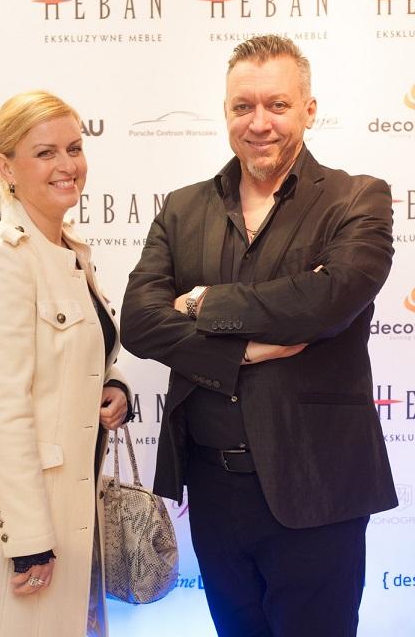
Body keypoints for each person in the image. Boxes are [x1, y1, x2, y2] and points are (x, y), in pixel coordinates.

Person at [120, 35, 398, 637]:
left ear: (309, 109)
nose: (259, 122)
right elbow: (139, 320)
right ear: (225, 112)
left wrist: (202, 301)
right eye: (242, 106)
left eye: (277, 104)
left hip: (319, 486)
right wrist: (240, 350)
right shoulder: (183, 209)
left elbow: (326, 302)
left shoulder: (357, 197)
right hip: (212, 490)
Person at [0, 91, 131, 637]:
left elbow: (79, 356)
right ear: (6, 168)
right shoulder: (3, 261)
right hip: (20, 521)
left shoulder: (70, 251)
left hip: (69, 506)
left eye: (74, 148)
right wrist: (27, 542)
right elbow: (2, 412)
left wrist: (113, 385)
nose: (67, 165)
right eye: (45, 153)